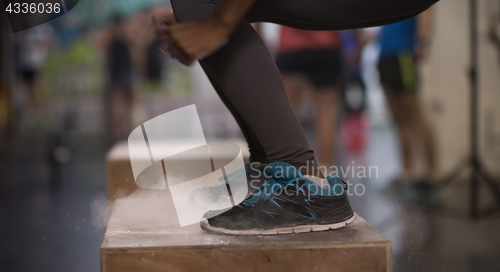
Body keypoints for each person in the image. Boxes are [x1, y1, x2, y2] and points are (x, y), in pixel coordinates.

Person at [152, 0, 439, 235]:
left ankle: (298, 180)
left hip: (341, 46)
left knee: (404, 112)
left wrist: (217, 23)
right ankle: (275, 169)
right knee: (202, 4)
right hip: (321, 48)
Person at [377, 11, 438, 189]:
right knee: (398, 117)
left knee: (415, 113)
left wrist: (423, 42)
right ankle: (406, 172)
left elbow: (426, 14)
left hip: (403, 55)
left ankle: (433, 174)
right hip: (385, 56)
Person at [275, 27, 343, 167]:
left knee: (288, 113)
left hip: (290, 46)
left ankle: (289, 171)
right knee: (326, 111)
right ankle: (326, 171)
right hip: (326, 44)